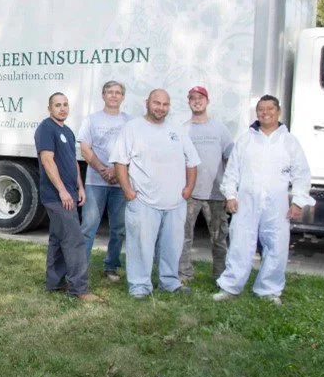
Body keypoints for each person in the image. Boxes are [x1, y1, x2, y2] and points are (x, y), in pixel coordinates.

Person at [214, 95, 314, 305]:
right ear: (256, 113)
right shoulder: (246, 139)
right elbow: (232, 170)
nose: (265, 112)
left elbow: (301, 174)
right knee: (240, 243)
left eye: (270, 109)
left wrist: (297, 201)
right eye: (261, 109)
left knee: (276, 244)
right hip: (246, 201)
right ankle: (231, 287)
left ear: (279, 112)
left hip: (276, 204)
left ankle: (268, 290)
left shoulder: (289, 142)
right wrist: (230, 195)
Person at [110, 89, 200, 298]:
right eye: (156, 103)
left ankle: (169, 281)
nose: (160, 108)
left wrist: (188, 189)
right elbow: (120, 162)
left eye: (165, 104)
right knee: (141, 246)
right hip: (143, 201)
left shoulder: (177, 130)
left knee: (172, 245)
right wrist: (128, 191)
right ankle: (140, 286)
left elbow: (192, 161)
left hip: (175, 202)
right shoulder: (132, 128)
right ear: (147, 103)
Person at [34, 92, 101, 302]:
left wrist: (79, 187)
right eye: (57, 105)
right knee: (74, 240)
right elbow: (47, 160)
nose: (62, 108)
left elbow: (73, 162)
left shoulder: (68, 132)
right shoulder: (46, 128)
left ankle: (54, 283)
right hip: (56, 196)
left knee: (58, 239)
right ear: (49, 108)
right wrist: (62, 190)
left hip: (70, 193)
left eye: (65, 105)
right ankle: (79, 289)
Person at [78, 80, 132, 282]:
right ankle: (80, 269)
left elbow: (133, 152)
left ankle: (111, 266)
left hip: (121, 183)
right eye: (110, 92)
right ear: (103, 95)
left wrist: (116, 172)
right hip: (95, 182)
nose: (114, 95)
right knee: (88, 227)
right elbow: (85, 149)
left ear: (123, 97)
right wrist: (102, 169)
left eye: (118, 92)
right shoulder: (91, 120)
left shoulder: (130, 122)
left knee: (118, 228)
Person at [180, 86, 233, 282]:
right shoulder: (183, 129)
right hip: (190, 193)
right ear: (189, 102)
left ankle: (220, 276)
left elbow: (231, 160)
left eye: (200, 97)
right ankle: (184, 274)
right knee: (184, 237)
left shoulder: (220, 129)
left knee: (219, 238)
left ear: (207, 101)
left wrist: (230, 192)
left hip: (216, 194)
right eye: (192, 98)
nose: (197, 101)